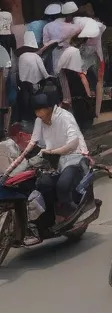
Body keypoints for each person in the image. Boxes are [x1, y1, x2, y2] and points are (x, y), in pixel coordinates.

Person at [5, 89, 89, 241]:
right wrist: (21, 158)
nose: (40, 117)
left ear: (50, 109)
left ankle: (74, 213)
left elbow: (73, 142)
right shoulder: (39, 120)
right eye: (37, 113)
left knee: (62, 187)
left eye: (42, 113)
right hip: (52, 158)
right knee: (40, 184)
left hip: (73, 156)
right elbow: (33, 141)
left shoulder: (65, 117)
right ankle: (44, 221)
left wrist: (55, 151)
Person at [55, 20, 97, 130]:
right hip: (77, 95)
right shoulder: (74, 53)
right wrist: (88, 95)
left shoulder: (60, 53)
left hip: (67, 94)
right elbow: (82, 76)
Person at [16, 32, 48, 124]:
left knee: (26, 99)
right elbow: (43, 70)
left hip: (24, 82)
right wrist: (48, 77)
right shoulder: (36, 56)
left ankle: (26, 117)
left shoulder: (21, 57)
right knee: (35, 99)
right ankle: (35, 116)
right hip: (35, 81)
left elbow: (20, 71)